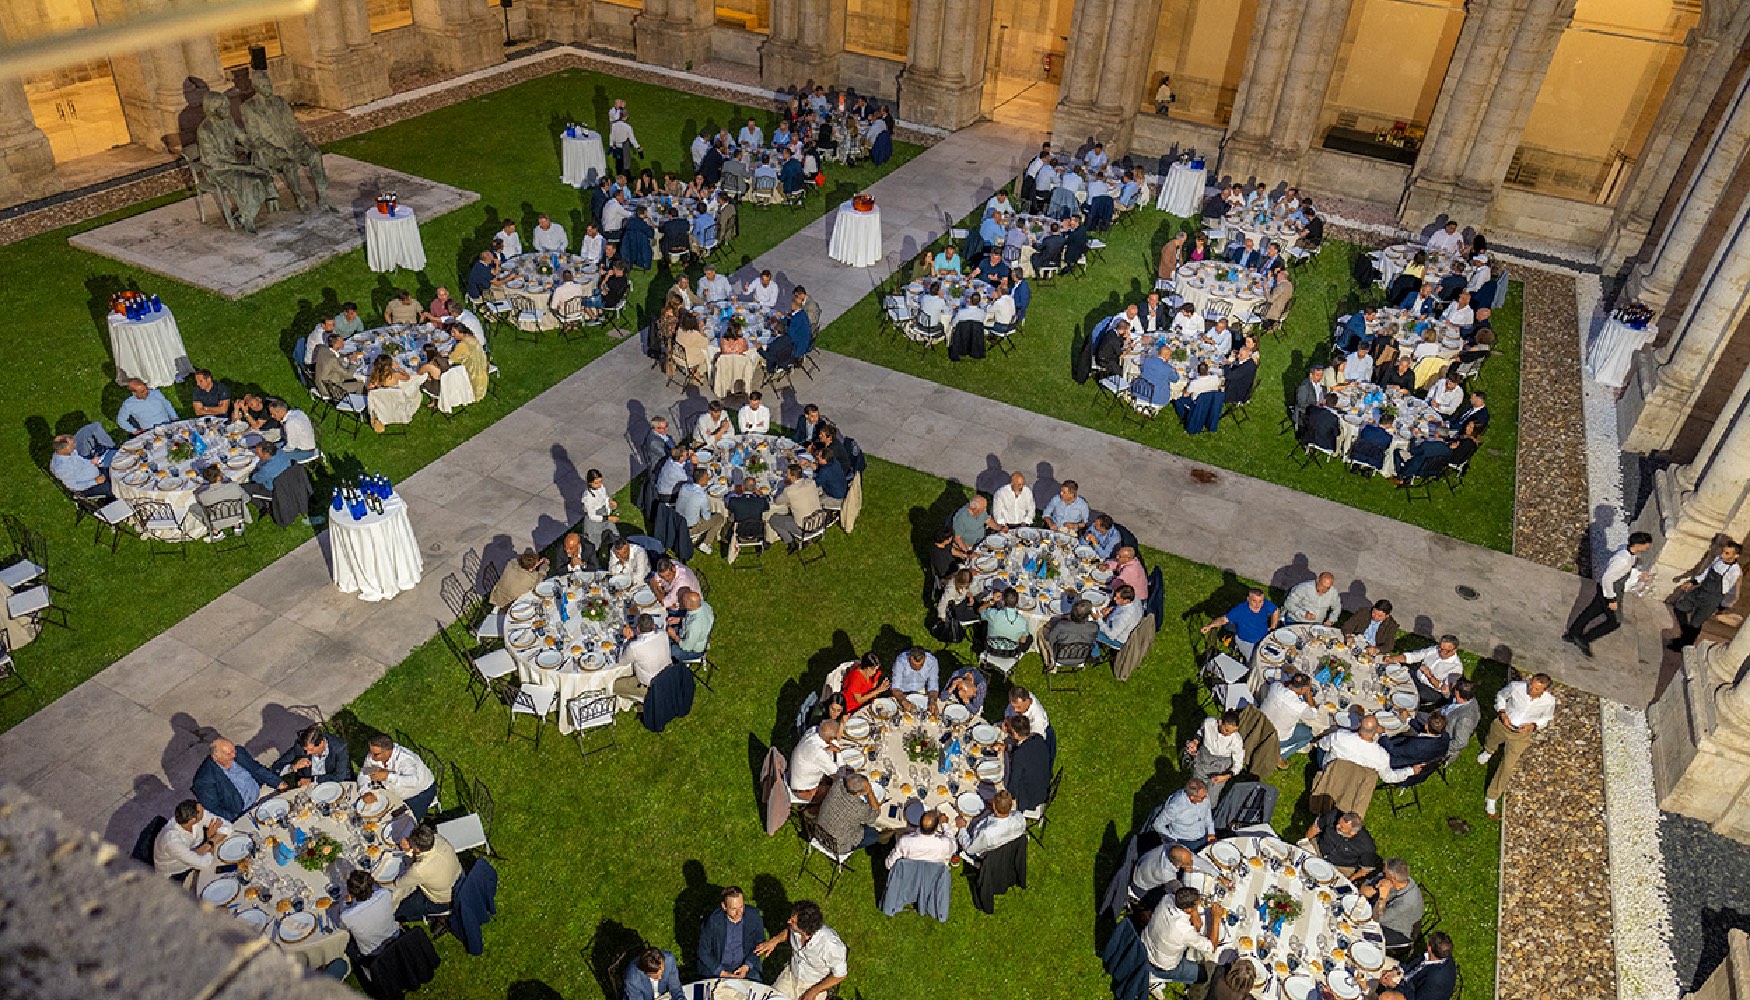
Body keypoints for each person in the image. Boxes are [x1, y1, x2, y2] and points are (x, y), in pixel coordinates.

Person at [1479, 672, 1556, 817]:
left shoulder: (1549, 701)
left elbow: (1546, 717)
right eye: (1531, 686)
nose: (1531, 691)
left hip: (1521, 735)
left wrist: (1533, 726)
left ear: (1544, 690)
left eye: (1536, 689)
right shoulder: (1516, 687)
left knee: (1507, 766)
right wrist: (1502, 713)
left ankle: (1492, 796)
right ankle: (1489, 751)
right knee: (1491, 739)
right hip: (1503, 724)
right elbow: (1501, 695)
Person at [1564, 531, 1653, 656]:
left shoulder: (1627, 552)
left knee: (1592, 611)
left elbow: (1621, 572)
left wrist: (1638, 575)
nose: (1647, 547)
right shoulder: (1623, 560)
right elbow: (1608, 578)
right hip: (1611, 590)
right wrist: (1611, 600)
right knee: (1615, 622)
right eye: (1646, 545)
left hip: (1605, 589)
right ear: (1638, 545)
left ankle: (1572, 634)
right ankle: (1584, 639)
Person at [755, 900, 848, 1000]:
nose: (788, 921)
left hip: (814, 984)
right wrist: (774, 941)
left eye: (793, 921)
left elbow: (840, 975)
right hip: (790, 976)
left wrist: (814, 991)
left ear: (805, 928)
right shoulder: (796, 930)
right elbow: (789, 932)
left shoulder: (830, 945)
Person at [1142, 885, 1221, 984]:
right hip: (1161, 965)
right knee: (1203, 975)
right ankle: (1157, 977)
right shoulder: (1184, 930)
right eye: (1197, 902)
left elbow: (1195, 924)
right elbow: (1212, 948)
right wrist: (1217, 919)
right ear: (1188, 909)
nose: (1200, 902)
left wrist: (1194, 911)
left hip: (1144, 946)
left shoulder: (1167, 898)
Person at [191, 738, 284, 821]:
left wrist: (279, 783)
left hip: (261, 792)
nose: (234, 755)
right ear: (215, 757)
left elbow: (257, 769)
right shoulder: (203, 780)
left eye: (233, 750)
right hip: (242, 811)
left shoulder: (239, 751)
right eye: (229, 754)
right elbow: (214, 808)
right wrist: (238, 818)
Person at [390, 824, 463, 922]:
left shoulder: (419, 869)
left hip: (444, 900)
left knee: (399, 910)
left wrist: (408, 851)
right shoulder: (438, 839)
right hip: (461, 879)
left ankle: (434, 917)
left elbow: (399, 883)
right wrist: (411, 850)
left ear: (417, 848)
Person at [1318, 716, 1422, 784]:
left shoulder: (1339, 736)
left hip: (1331, 771)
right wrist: (1411, 770)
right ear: (1376, 730)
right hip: (1355, 782)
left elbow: (1322, 745)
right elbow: (1389, 777)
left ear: (1359, 725)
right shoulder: (1381, 756)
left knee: (1322, 747)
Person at [698, 886, 766, 980]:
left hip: (745, 968)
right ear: (724, 907)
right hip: (718, 968)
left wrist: (747, 966)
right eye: (733, 909)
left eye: (741, 907)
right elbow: (703, 951)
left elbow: (760, 943)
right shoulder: (714, 920)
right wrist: (722, 972)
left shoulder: (753, 916)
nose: (739, 913)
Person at [360, 735, 438, 817]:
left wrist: (388, 776)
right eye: (370, 752)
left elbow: (413, 781)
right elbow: (364, 772)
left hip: (419, 793)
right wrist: (365, 791)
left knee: (405, 823)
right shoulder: (373, 756)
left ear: (388, 751)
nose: (371, 757)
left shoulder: (405, 759)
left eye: (375, 754)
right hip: (392, 791)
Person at [154, 799, 228, 879]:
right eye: (202, 812)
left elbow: (226, 826)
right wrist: (210, 839)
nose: (205, 813)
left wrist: (209, 843)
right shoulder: (172, 842)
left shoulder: (193, 815)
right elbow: (205, 864)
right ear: (192, 820)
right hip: (176, 874)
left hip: (197, 852)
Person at [1360, 858, 1425, 949]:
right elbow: (1363, 890)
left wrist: (1382, 897)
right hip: (1382, 913)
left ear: (1393, 878)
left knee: (1359, 933)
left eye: (1385, 872)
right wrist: (1375, 887)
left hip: (1395, 929)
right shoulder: (1398, 879)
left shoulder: (1407, 902)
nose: (1383, 872)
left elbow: (1377, 918)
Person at [339, 869, 400, 964]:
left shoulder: (347, 915)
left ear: (351, 893)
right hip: (394, 936)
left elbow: (341, 927)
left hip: (373, 953)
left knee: (347, 946)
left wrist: (344, 902)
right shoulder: (385, 893)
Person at [1385, 634, 1464, 706]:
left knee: (1402, 696)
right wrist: (1393, 658)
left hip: (1430, 690)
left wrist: (1429, 675)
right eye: (1440, 648)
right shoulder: (1434, 650)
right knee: (1390, 678)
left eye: (1446, 651)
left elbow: (1444, 689)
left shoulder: (1456, 668)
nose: (1442, 652)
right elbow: (1414, 656)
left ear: (1454, 650)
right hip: (1416, 676)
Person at [1201, 588, 1279, 660]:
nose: (1257, 605)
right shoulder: (1240, 610)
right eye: (1254, 601)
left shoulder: (1266, 605)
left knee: (1276, 656)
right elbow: (1223, 619)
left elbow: (1275, 610)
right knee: (1256, 661)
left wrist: (1273, 626)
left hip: (1264, 638)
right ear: (1248, 599)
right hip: (1246, 642)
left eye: (1260, 601)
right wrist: (1210, 626)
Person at [612, 614, 672, 704]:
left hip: (650, 687)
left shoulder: (634, 647)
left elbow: (621, 662)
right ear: (653, 625)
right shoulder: (663, 634)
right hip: (668, 678)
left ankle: (643, 701)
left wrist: (626, 639)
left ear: (638, 629)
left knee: (615, 685)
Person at [1302, 809, 1379, 879]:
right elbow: (1315, 828)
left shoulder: (1367, 846)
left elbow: (1366, 869)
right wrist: (1304, 842)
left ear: (1352, 832)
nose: (1337, 826)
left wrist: (1351, 879)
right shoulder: (1333, 815)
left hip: (1340, 867)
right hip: (1319, 849)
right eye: (1338, 822)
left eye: (1341, 827)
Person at [956, 788, 1026, 862]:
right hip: (1009, 851)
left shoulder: (986, 833)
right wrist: (999, 807)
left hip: (987, 856)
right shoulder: (1020, 818)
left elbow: (969, 849)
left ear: (994, 806)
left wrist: (962, 827)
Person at [1383, 931, 1457, 1000]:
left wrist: (1396, 985)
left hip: (1410, 992)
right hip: (1406, 976)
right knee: (1380, 963)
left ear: (1429, 948)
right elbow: (1412, 963)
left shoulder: (1436, 981)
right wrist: (1398, 971)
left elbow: (1416, 997)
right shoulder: (1439, 954)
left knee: (1386, 997)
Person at [270, 725, 353, 786]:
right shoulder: (300, 747)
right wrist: (293, 767)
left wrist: (312, 780)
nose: (308, 753)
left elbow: (339, 777)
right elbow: (276, 767)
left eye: (311, 750)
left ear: (321, 743)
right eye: (306, 750)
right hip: (308, 789)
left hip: (333, 785)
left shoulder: (339, 748)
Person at [1145, 779, 1214, 851]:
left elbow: (1207, 813)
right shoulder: (1176, 806)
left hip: (1204, 836)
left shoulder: (1204, 795)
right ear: (1192, 797)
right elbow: (1158, 824)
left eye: (1206, 795)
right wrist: (1173, 840)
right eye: (1202, 797)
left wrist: (1211, 832)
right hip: (1186, 842)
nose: (1206, 798)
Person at [1261, 674, 1319, 757]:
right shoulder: (1300, 706)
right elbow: (1313, 715)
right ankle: (1281, 754)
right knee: (1308, 734)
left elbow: (1281, 683)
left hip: (1260, 725)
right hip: (1276, 737)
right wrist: (1308, 693)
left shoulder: (1275, 687)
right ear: (1303, 689)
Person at [1003, 714, 1051, 813]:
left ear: (1015, 734)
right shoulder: (1038, 739)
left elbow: (1013, 785)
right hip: (1043, 786)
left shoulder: (1019, 755)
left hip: (1030, 797)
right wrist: (1008, 748)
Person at [767, 465, 823, 547]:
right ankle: (807, 539)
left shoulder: (789, 491)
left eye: (788, 475)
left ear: (793, 477)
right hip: (819, 520)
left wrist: (784, 489)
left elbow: (777, 501)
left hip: (803, 528)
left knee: (773, 519)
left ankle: (790, 542)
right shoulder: (811, 482)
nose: (786, 476)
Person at [789, 717, 843, 801]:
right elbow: (839, 775)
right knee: (842, 794)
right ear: (831, 738)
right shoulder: (818, 753)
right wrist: (839, 752)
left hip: (800, 778)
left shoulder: (812, 730)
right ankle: (812, 811)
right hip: (805, 791)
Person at [885, 808, 957, 871]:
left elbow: (889, 864)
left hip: (911, 873)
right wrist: (945, 824)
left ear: (919, 823)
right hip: (933, 874)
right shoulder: (944, 844)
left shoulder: (905, 841)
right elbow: (953, 846)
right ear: (936, 828)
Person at [1383, 711, 1451, 773]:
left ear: (1426, 726)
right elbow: (1422, 729)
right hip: (1421, 758)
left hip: (1399, 763)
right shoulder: (1445, 736)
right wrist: (1408, 719)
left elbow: (1393, 750)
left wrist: (1382, 734)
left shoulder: (1417, 746)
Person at [50, 434, 110, 498]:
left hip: (96, 468)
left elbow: (81, 460)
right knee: (116, 488)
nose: (75, 445)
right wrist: (95, 481)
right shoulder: (62, 468)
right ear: (64, 449)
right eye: (72, 445)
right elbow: (73, 485)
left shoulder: (67, 452)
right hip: (90, 486)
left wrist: (94, 460)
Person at [1440, 678, 1482, 764]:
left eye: (1456, 694)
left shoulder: (1466, 719)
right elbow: (1453, 700)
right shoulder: (1468, 697)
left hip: (1441, 736)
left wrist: (1440, 745)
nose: (1454, 695)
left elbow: (1460, 742)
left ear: (1464, 698)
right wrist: (1447, 694)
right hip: (1441, 716)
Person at [669, 589, 714, 663]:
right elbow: (690, 619)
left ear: (688, 605)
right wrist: (680, 620)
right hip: (690, 634)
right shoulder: (703, 605)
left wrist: (674, 636)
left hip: (694, 650)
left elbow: (686, 647)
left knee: (670, 651)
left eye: (683, 601)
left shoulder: (695, 625)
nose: (681, 602)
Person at [267, 398, 318, 463]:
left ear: (281, 411)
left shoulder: (290, 423)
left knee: (271, 454)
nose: (272, 416)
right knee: (270, 447)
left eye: (273, 414)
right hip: (307, 445)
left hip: (303, 451)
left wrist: (280, 449)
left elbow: (290, 446)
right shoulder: (297, 412)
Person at [1097, 585, 1144, 651]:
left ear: (1126, 601)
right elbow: (1122, 608)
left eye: (1118, 598)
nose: (1114, 599)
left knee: (1090, 629)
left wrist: (1098, 619)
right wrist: (1112, 608)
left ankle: (1095, 655)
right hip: (1119, 627)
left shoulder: (1124, 617)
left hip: (1118, 640)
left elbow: (1112, 636)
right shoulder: (1135, 599)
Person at [244, 441, 291, 506]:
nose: (256, 455)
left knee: (243, 488)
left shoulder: (267, 470)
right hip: (288, 483)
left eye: (258, 453)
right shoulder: (282, 453)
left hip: (273, 490)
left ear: (267, 455)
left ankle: (261, 506)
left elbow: (256, 479)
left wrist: (251, 474)